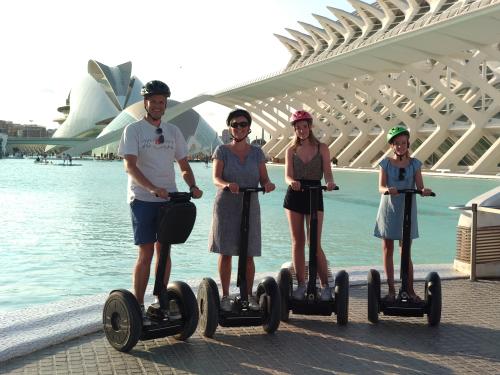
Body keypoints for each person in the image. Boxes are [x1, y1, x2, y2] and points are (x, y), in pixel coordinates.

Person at [117, 80, 203, 324]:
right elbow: (130, 167)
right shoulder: (133, 130)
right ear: (145, 103)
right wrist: (152, 188)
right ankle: (138, 305)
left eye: (161, 102)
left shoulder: (173, 131)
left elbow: (184, 166)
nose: (157, 105)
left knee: (164, 248)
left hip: (170, 199)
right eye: (153, 101)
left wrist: (193, 186)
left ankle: (161, 299)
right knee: (146, 251)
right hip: (142, 199)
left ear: (165, 105)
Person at [208, 108, 275, 312]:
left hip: (250, 205)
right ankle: (226, 295)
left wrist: (268, 184)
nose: (239, 128)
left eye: (243, 124)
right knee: (226, 252)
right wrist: (227, 184)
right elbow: (216, 178)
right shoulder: (222, 151)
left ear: (249, 128)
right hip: (227, 206)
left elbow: (264, 178)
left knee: (249, 253)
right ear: (230, 128)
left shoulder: (257, 153)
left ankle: (246, 295)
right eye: (235, 124)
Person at [374, 126, 432, 303]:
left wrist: (424, 190)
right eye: (397, 143)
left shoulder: (415, 164)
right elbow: (380, 187)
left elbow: (420, 186)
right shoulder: (385, 163)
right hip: (389, 209)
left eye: (403, 143)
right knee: (388, 249)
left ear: (408, 144)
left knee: (405, 250)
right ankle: (391, 290)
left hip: (407, 209)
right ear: (392, 145)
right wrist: (388, 190)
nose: (400, 146)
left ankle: (410, 290)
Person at [283, 110, 336, 301]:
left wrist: (330, 182)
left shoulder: (322, 148)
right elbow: (287, 175)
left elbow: (328, 172)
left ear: (310, 127)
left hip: (315, 194)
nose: (301, 130)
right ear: (295, 130)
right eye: (297, 128)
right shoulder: (291, 150)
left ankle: (325, 286)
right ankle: (301, 285)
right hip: (295, 196)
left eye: (304, 127)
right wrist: (291, 182)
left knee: (313, 242)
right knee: (297, 242)